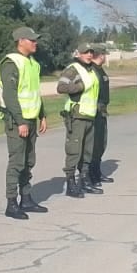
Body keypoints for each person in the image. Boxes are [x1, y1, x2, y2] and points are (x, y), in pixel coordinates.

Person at [0, 26, 49, 219]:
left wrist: (42, 114)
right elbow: (10, 95)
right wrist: (20, 121)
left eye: (35, 40)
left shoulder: (32, 63)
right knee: (17, 162)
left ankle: (26, 198)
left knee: (29, 160)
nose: (35, 43)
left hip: (31, 118)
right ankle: (11, 203)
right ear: (20, 41)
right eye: (32, 40)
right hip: (17, 120)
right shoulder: (11, 63)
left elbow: (35, 92)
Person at [56, 48, 103, 197]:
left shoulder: (91, 70)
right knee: (74, 151)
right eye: (85, 52)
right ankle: (71, 184)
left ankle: (85, 180)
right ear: (79, 54)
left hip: (90, 115)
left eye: (91, 52)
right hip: (77, 115)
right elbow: (61, 87)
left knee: (87, 151)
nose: (89, 55)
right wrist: (79, 87)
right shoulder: (73, 69)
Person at [88, 49, 114, 186]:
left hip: (102, 109)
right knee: (94, 145)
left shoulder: (100, 69)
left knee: (101, 143)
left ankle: (97, 172)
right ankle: (91, 175)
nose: (105, 57)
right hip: (94, 110)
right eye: (104, 54)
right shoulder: (91, 70)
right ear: (100, 55)